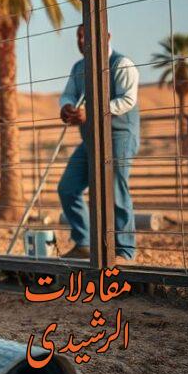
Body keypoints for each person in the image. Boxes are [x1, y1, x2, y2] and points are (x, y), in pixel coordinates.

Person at [56, 24, 140, 260]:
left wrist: (91, 112)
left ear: (107, 36)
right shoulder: (79, 67)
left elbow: (127, 99)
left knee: (114, 190)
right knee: (67, 188)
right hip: (90, 139)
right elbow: (69, 93)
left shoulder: (122, 64)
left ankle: (124, 251)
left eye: (87, 36)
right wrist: (66, 106)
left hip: (119, 136)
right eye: (79, 37)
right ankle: (84, 243)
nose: (82, 41)